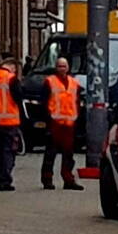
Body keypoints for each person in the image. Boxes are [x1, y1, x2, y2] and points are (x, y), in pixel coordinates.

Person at [40, 57, 84, 191]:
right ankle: (47, 180)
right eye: (59, 66)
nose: (62, 69)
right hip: (54, 123)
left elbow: (77, 102)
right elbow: (44, 102)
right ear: (56, 67)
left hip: (69, 124)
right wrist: (47, 121)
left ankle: (68, 179)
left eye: (64, 66)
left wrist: (77, 120)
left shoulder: (74, 83)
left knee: (68, 155)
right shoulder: (49, 82)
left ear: (68, 68)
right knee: (50, 154)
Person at [0, 55, 24, 191]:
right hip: (9, 121)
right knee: (8, 151)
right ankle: (5, 180)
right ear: (11, 66)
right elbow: (18, 97)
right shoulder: (11, 79)